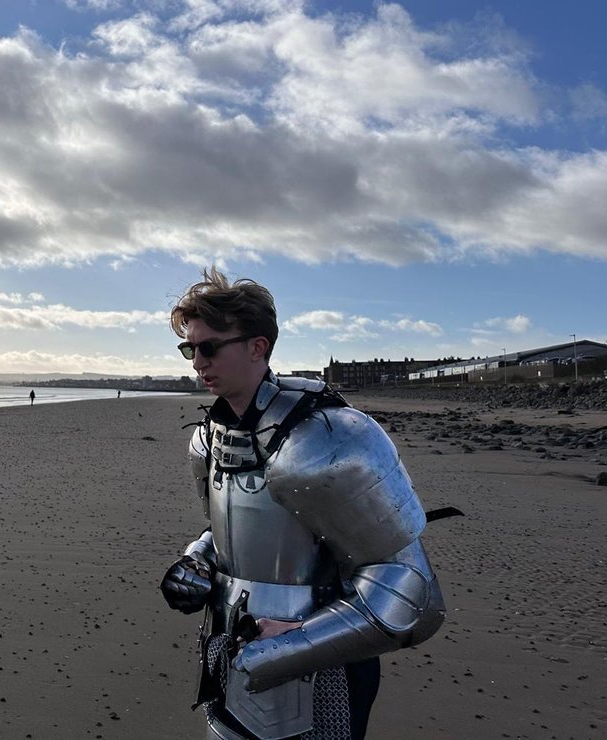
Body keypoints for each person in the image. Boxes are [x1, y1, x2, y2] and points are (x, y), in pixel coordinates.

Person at [160, 268, 445, 740]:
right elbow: (227, 534)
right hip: (227, 646)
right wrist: (196, 562)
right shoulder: (208, 439)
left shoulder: (331, 438)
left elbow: (408, 588)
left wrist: (297, 644)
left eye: (210, 347)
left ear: (258, 347)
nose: (197, 362)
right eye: (190, 348)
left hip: (322, 665)